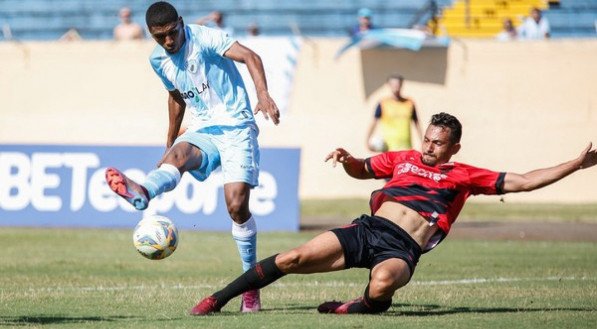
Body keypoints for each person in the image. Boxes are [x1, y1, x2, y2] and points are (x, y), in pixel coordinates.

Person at [189, 112, 597, 315]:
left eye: (438, 143)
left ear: (453, 147)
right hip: (368, 230)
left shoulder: (464, 175)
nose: (429, 147)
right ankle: (217, 300)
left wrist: (575, 164)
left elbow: (524, 180)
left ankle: (359, 306)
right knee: (292, 257)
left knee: (384, 283)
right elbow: (361, 169)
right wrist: (348, 159)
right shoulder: (402, 158)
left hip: (401, 250)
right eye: (427, 139)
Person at [104, 1, 280, 312]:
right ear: (151, 35)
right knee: (179, 155)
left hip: (236, 126)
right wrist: (171, 140)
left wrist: (263, 94)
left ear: (181, 23)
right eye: (160, 37)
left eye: (172, 33)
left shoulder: (205, 38)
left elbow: (251, 56)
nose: (168, 41)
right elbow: (175, 97)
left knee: (237, 206)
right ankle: (142, 192)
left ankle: (250, 288)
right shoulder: (158, 60)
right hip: (202, 129)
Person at [365, 75, 422, 153]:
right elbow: (373, 122)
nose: (396, 86)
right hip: (388, 149)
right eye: (393, 84)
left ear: (402, 84)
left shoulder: (409, 103)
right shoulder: (383, 103)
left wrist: (422, 142)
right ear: (388, 85)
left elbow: (417, 123)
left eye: (398, 84)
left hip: (406, 148)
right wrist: (367, 141)